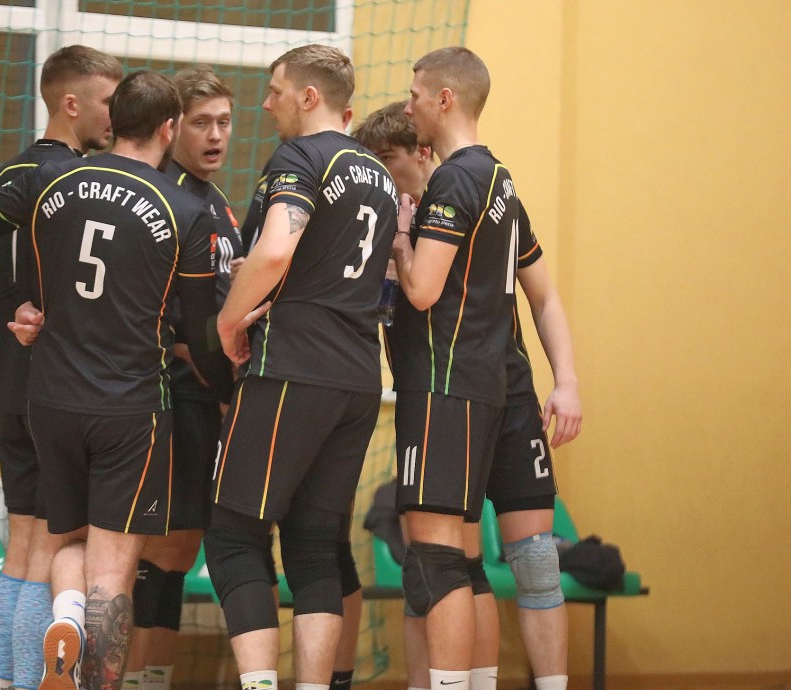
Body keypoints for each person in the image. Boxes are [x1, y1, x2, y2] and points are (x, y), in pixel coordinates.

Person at [0, 69, 260, 690]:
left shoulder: (49, 179)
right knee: (113, 568)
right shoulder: (186, 209)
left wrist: (19, 302)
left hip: (50, 399)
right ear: (169, 128)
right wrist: (228, 389)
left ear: (114, 122)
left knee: (65, 543)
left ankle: (64, 617)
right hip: (131, 407)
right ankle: (94, 673)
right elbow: (198, 332)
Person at [355, 100, 583, 690]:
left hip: (472, 389)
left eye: (386, 160)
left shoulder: (454, 195)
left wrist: (566, 380)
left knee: (494, 559)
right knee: (454, 560)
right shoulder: (463, 193)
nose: (380, 175)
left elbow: (535, 295)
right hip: (469, 392)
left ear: (421, 151)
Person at [203, 44, 397, 690]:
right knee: (315, 545)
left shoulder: (301, 156)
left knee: (234, 537)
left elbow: (276, 252)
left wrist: (229, 320)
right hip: (359, 378)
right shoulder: (378, 174)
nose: (267, 105)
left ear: (309, 97)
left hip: (293, 368)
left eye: (276, 90)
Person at [0, 44, 123, 690]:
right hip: (57, 392)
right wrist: (25, 306)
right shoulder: (73, 184)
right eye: (107, 102)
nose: (115, 115)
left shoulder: (8, 175)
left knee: (21, 551)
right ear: (70, 103)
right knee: (53, 551)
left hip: (14, 388)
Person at [386, 46, 520, 690]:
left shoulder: (455, 178)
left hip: (443, 384)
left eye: (415, 94)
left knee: (435, 558)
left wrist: (399, 240)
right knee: (464, 561)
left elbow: (421, 291)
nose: (408, 104)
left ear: (444, 99)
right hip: (481, 384)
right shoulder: (499, 177)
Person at [122, 64, 244, 690]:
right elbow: (171, 320)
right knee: (155, 553)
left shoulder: (217, 202)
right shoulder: (165, 197)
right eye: (201, 123)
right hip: (171, 397)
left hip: (208, 396)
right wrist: (220, 383)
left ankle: (152, 679)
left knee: (180, 550)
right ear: (172, 129)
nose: (216, 135)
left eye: (224, 122)